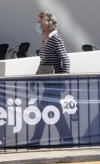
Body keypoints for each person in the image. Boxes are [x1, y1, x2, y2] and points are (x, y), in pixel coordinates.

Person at [30, 10, 73, 146]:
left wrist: (63, 80)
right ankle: (67, 140)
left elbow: (65, 60)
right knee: (52, 112)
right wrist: (35, 79)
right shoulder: (45, 39)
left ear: (46, 24)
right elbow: (43, 61)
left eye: (39, 22)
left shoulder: (55, 39)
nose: (37, 25)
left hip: (54, 82)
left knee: (44, 110)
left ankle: (35, 141)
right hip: (47, 82)